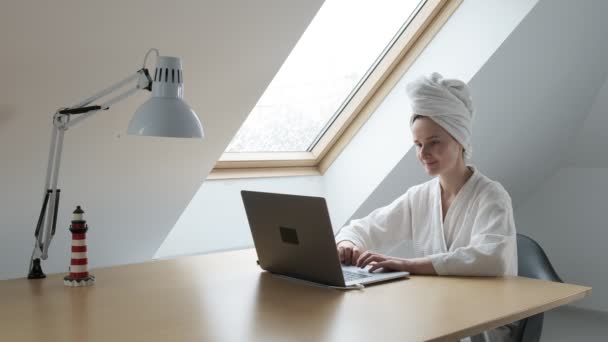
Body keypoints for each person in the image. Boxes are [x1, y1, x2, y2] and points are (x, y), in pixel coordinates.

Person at [335, 72, 518, 342]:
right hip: (437, 315)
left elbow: (492, 257)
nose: (423, 154)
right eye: (418, 145)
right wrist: (347, 243)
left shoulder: (492, 196)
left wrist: (409, 264)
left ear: (459, 140)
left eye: (434, 143)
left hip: (482, 323)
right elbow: (365, 228)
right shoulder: (419, 197)